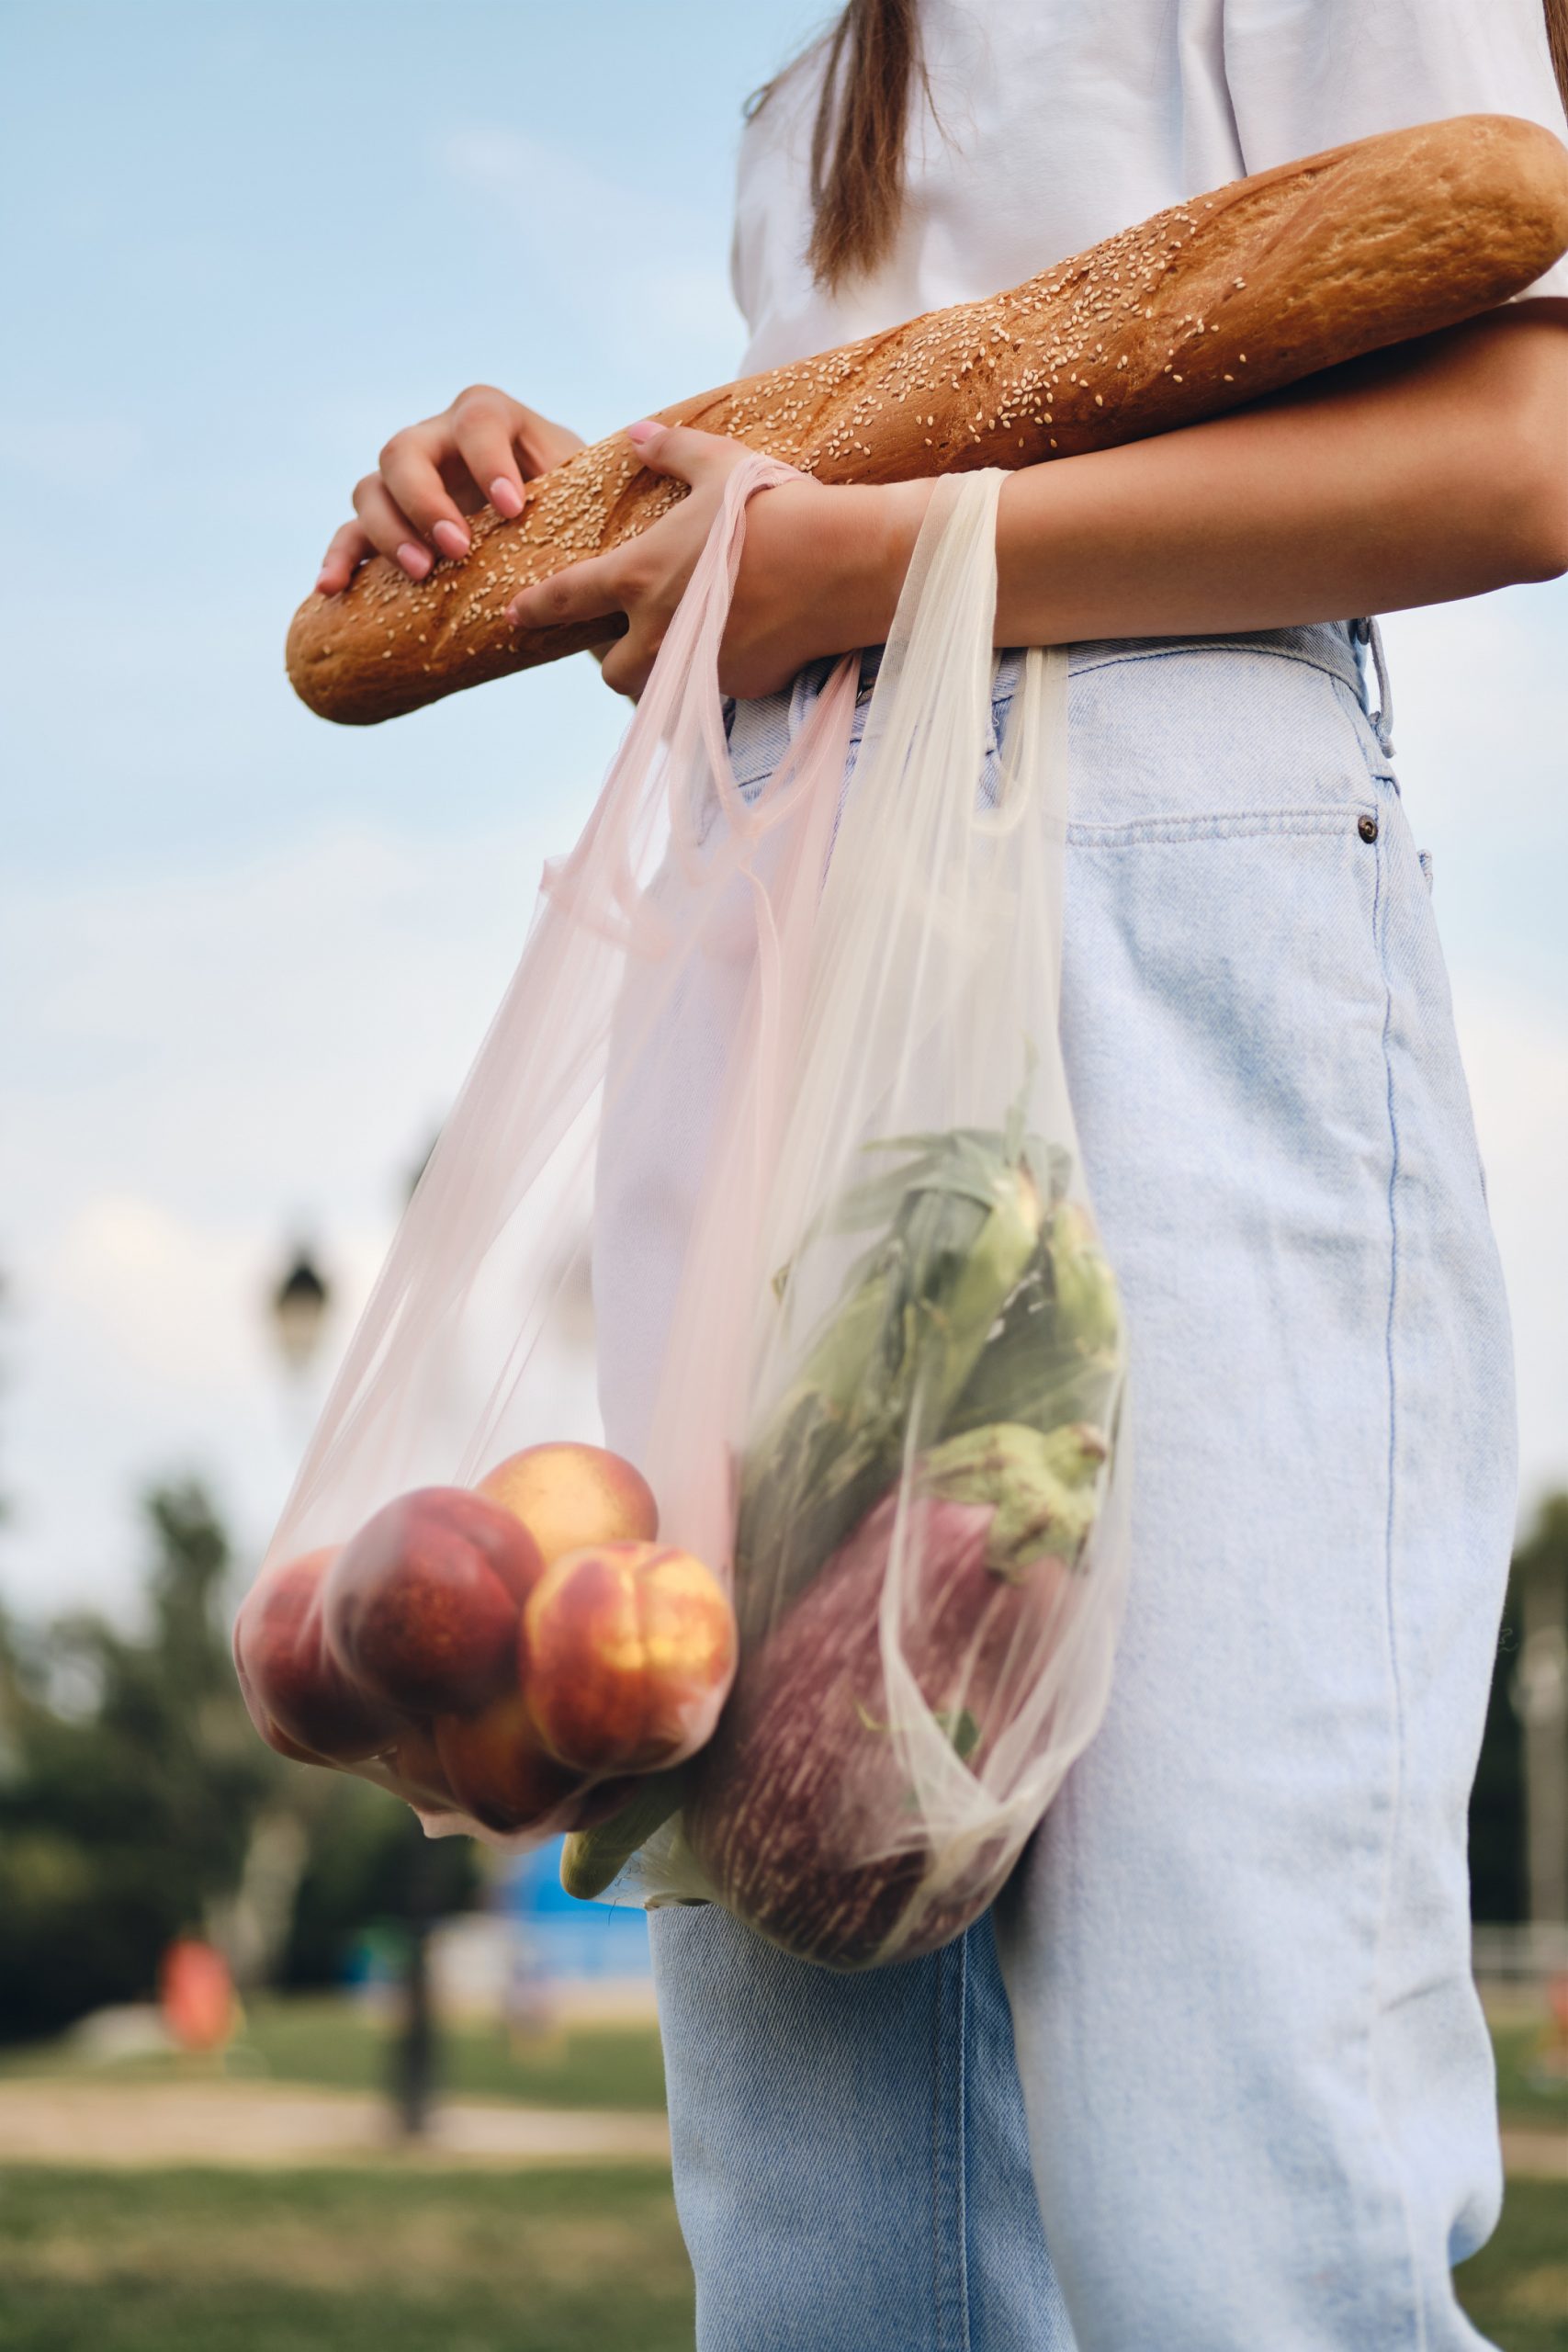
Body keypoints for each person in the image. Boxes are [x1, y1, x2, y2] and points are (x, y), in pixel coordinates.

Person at [315, 6, 1568, 2345]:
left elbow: (1526, 450)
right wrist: (572, 501)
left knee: (1223, 2182)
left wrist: (866, 565)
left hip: (1157, 897)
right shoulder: (806, 102)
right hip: (793, 943)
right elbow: (865, 474)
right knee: (825, 2218)